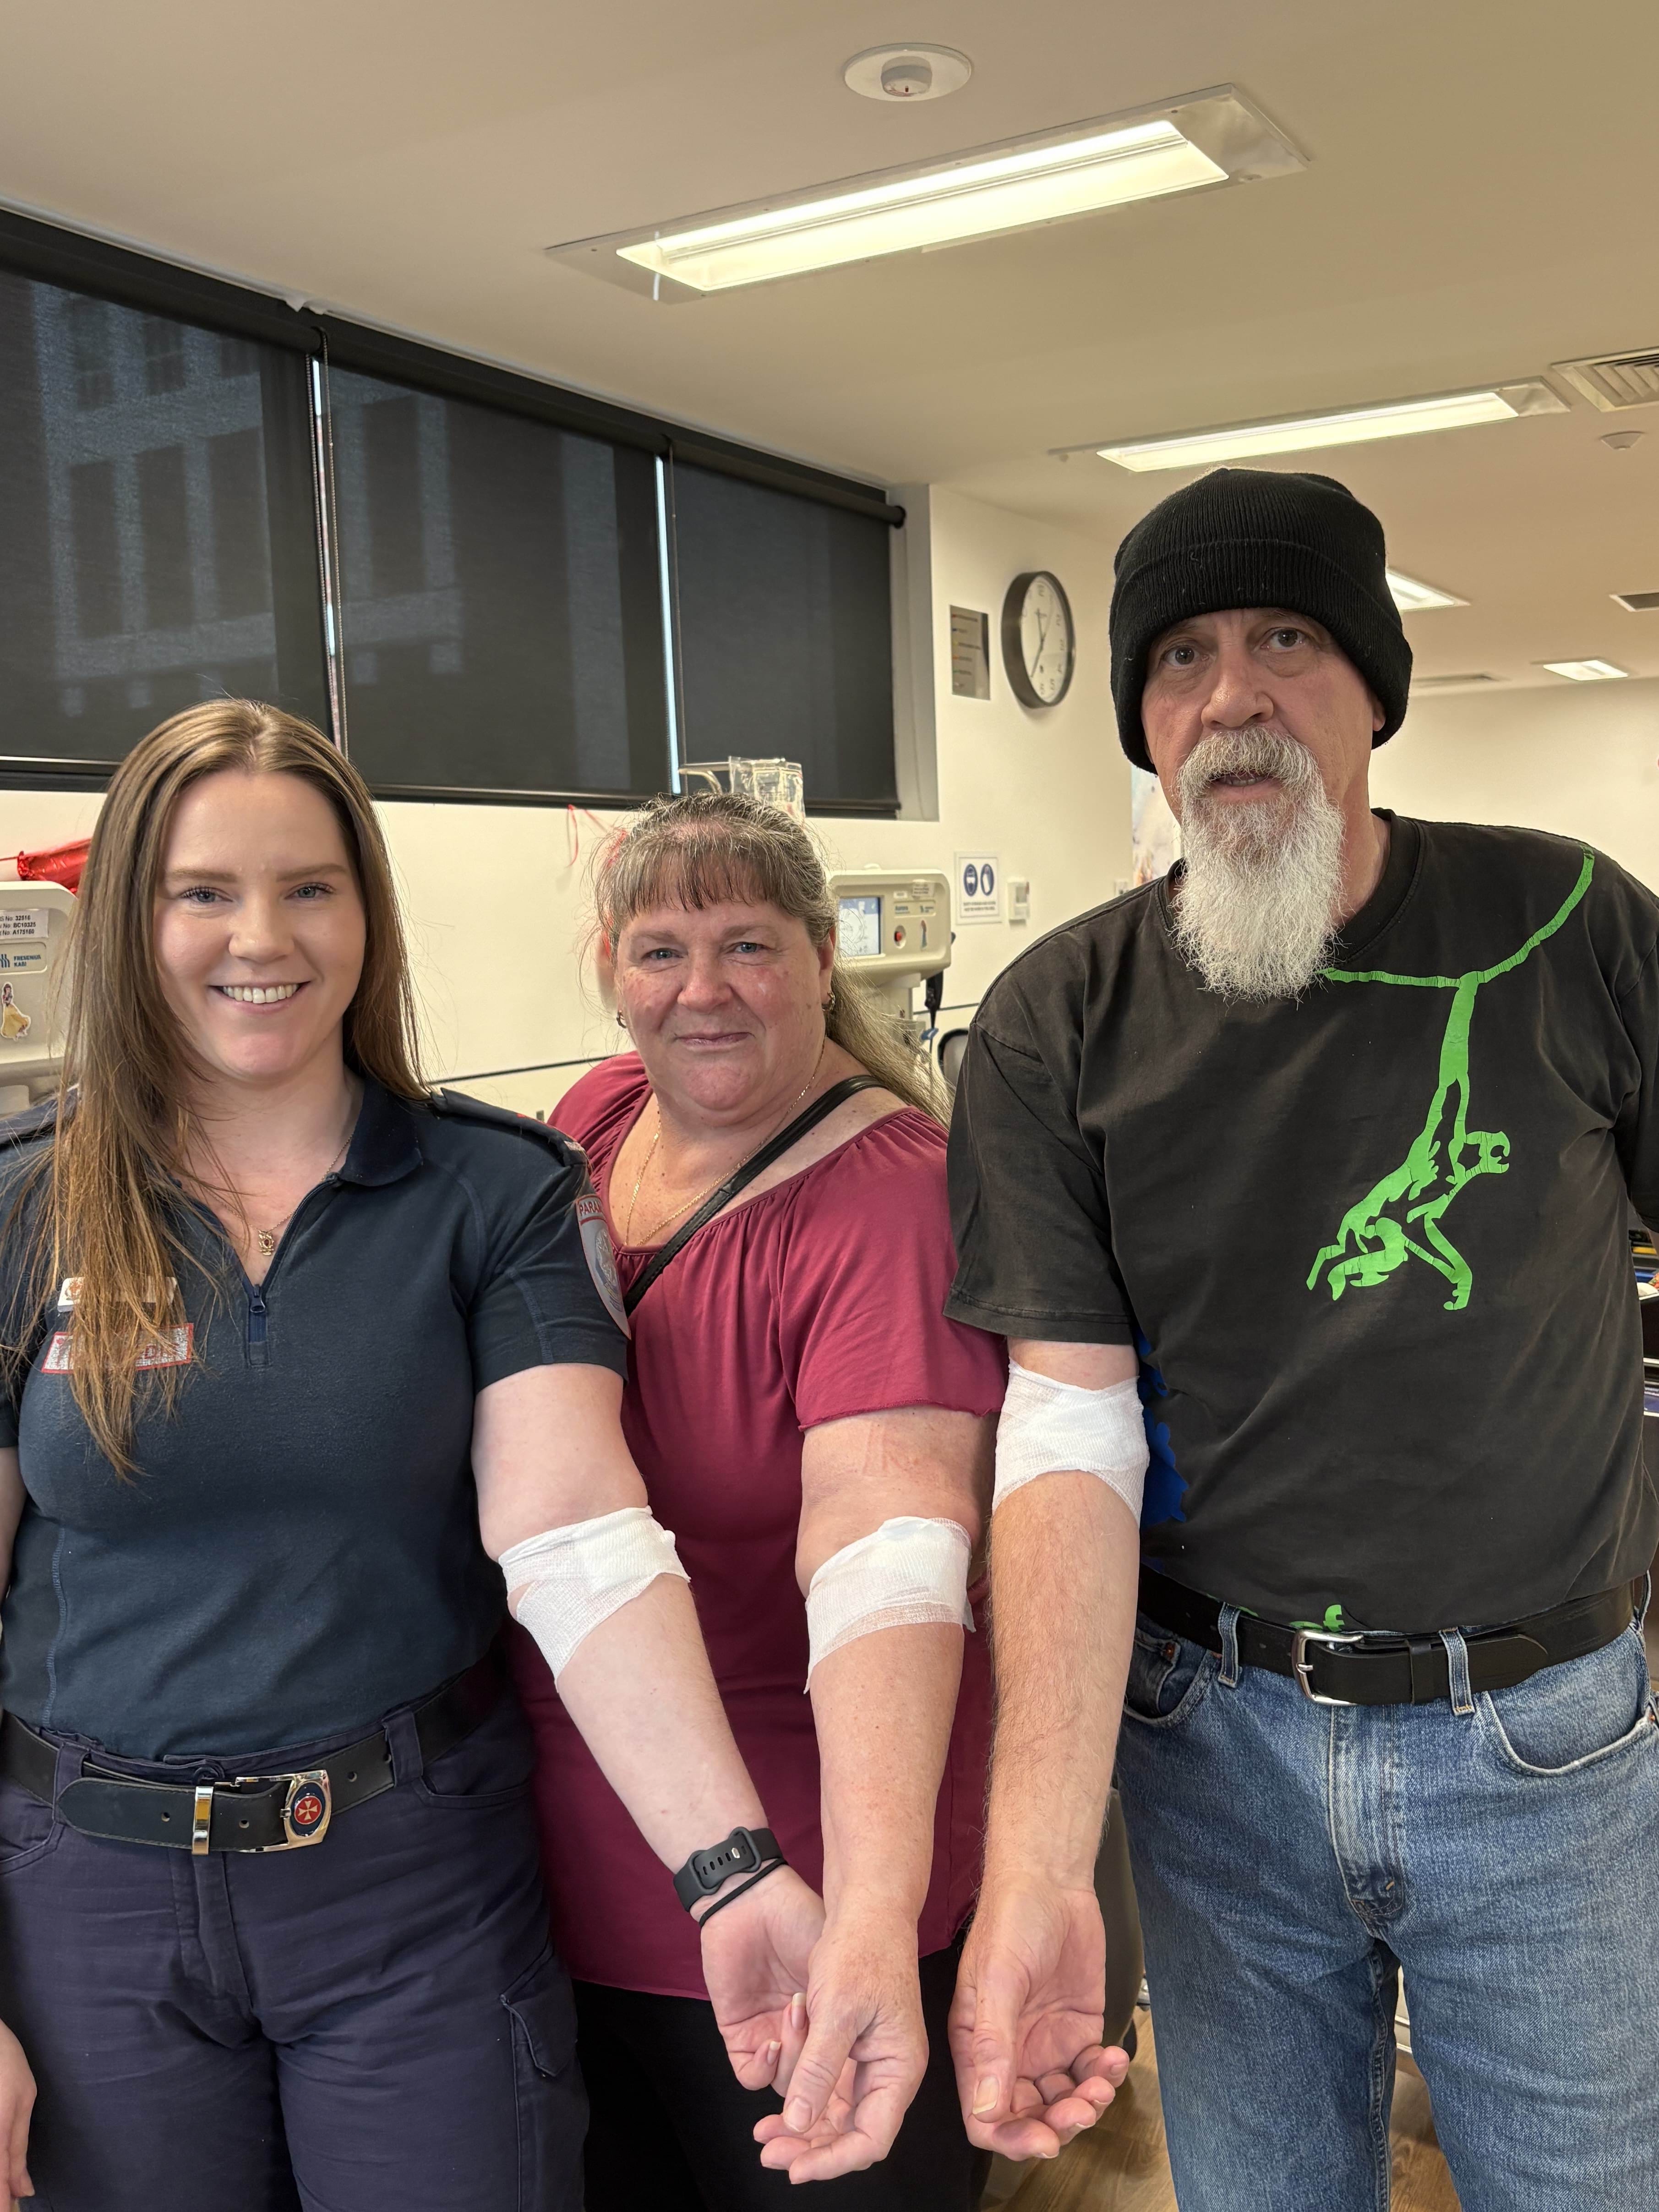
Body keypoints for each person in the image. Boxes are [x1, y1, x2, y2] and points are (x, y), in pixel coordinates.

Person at [0, 704, 831, 2211]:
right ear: (131, 916)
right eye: (205, 892)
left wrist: (729, 1865)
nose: (264, 938)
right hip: (89, 1902)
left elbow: (577, 1535)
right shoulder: (30, 1204)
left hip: (407, 1891)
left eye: (310, 886)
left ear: (367, 913)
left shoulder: (492, 1193)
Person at [945, 470, 1659, 2209]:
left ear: (1372, 686)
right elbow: (1062, 1435)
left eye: (1286, 638)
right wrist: (1037, 1866)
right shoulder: (1056, 1018)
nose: (1233, 694)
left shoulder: (1569, 928)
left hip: (1544, 1739)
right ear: (1143, 719)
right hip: (1213, 1751)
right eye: (1181, 658)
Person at [511, 790, 1010, 2208]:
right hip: (560, 1864)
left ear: (817, 956)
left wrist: (863, 1916)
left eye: (748, 944)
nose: (704, 989)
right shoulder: (594, 1127)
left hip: (796, 1891)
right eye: (661, 950)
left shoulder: (891, 1201)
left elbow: (886, 1545)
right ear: (611, 968)